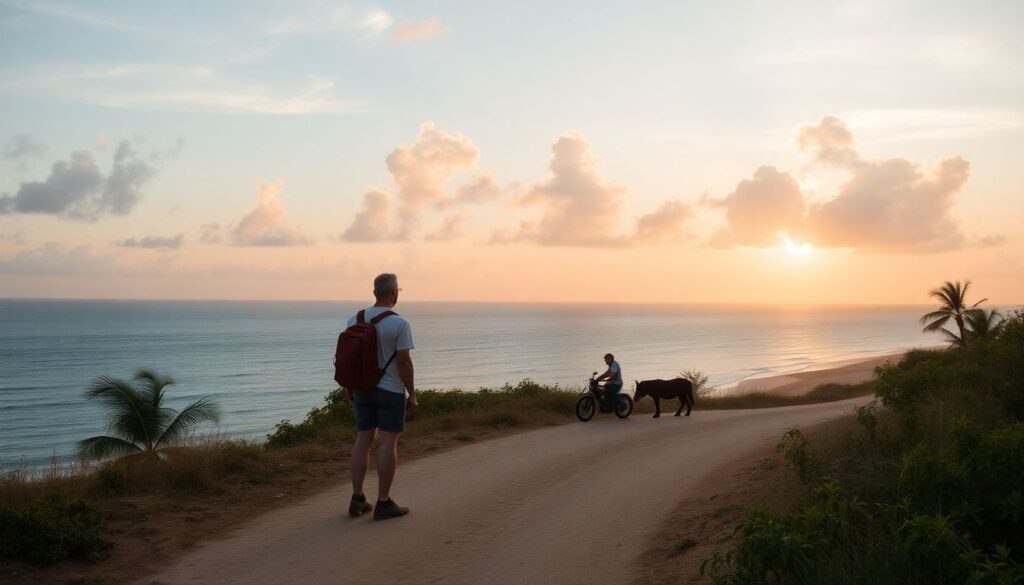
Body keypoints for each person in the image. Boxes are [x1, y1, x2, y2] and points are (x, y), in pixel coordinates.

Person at [347, 273, 418, 521]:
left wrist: (350, 388)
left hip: (361, 390)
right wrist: (412, 394)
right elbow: (404, 363)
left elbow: (350, 358)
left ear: (375, 292)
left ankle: (357, 499)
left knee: (363, 439)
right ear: (394, 293)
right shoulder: (399, 324)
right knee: (388, 442)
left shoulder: (354, 318)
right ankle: (383, 502)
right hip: (389, 391)